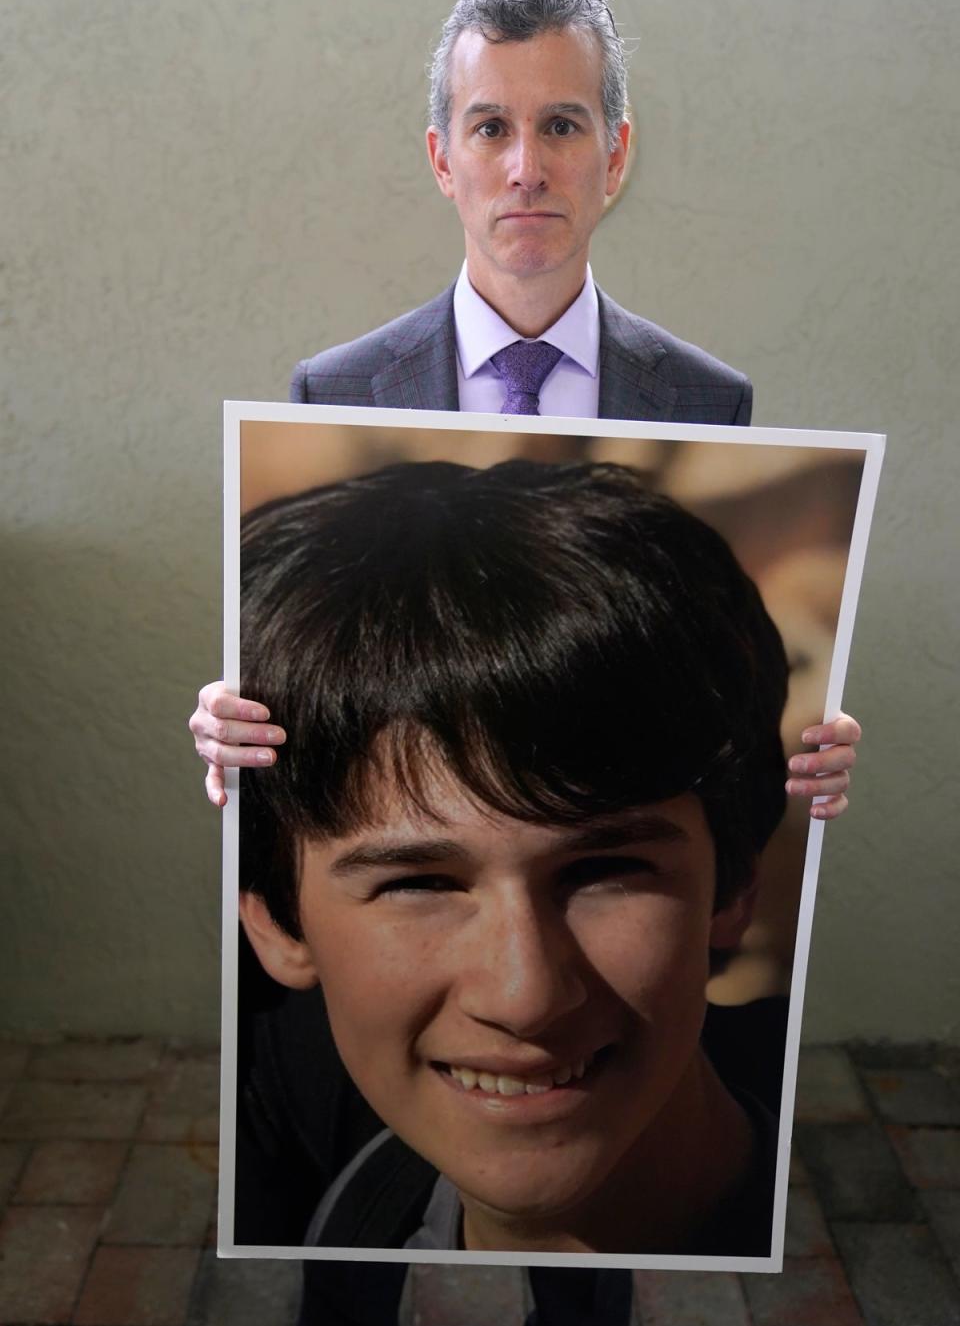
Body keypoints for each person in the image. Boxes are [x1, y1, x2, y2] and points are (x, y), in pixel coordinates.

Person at [189, 0, 861, 1326]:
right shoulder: (335, 393)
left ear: (614, 155)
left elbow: (690, 680)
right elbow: (309, 679)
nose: (526, 165)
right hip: (406, 869)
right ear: (442, 158)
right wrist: (232, 719)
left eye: (561, 126)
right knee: (342, 1250)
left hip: (596, 842)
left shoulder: (705, 401)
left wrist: (803, 734)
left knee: (593, 1227)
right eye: (489, 127)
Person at [237, 458, 789, 1260]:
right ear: (276, 923)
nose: (525, 998)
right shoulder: (297, 1142)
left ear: (735, 882)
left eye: (604, 871)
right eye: (419, 883)